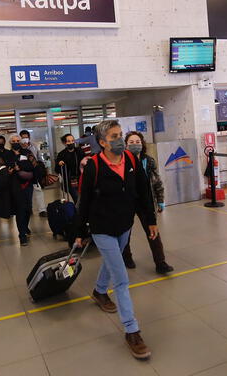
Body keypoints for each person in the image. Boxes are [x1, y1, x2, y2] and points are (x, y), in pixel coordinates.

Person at [74, 120, 157, 359]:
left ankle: (99, 291)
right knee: (121, 278)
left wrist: (150, 220)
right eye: (114, 136)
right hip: (102, 228)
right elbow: (85, 201)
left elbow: (143, 192)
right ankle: (132, 330)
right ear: (102, 142)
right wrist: (80, 231)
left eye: (120, 134)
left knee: (113, 263)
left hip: (124, 225)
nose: (120, 139)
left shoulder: (131, 161)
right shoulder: (94, 167)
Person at [122, 131, 174, 274]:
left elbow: (157, 181)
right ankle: (126, 257)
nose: (135, 144)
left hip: (146, 201)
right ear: (125, 145)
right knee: (125, 232)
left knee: (153, 232)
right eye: (131, 142)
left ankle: (160, 263)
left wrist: (161, 200)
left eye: (137, 142)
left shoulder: (148, 161)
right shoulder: (121, 161)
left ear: (142, 143)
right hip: (128, 202)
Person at [5, 134, 38, 246]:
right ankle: (22, 234)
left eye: (17, 140)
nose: (15, 142)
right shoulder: (7, 154)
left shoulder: (27, 153)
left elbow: (34, 166)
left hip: (27, 183)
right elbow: (4, 168)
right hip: (14, 185)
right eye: (13, 141)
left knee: (28, 208)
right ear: (10, 143)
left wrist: (20, 167)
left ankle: (24, 227)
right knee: (20, 208)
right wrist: (11, 170)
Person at [20, 130, 47, 217]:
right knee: (27, 192)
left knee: (38, 189)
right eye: (23, 138)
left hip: (35, 171)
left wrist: (43, 166)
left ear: (29, 137)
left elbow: (39, 157)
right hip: (25, 173)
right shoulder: (19, 149)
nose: (25, 139)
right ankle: (29, 208)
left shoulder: (34, 146)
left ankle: (42, 210)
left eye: (26, 137)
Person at [55, 133, 85, 203]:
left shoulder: (79, 151)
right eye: (68, 141)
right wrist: (59, 164)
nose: (71, 142)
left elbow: (85, 162)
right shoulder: (62, 154)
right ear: (65, 143)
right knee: (77, 199)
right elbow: (56, 169)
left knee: (83, 198)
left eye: (72, 140)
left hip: (81, 179)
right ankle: (79, 212)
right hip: (70, 181)